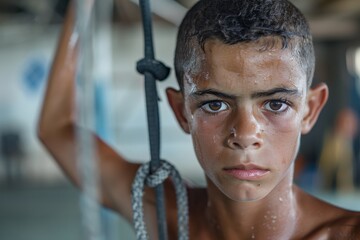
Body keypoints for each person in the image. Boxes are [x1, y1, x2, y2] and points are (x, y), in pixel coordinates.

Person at [38, 0, 360, 239]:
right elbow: (56, 131)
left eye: (275, 104)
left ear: (310, 109)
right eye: (215, 105)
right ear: (182, 112)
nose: (246, 134)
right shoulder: (164, 214)